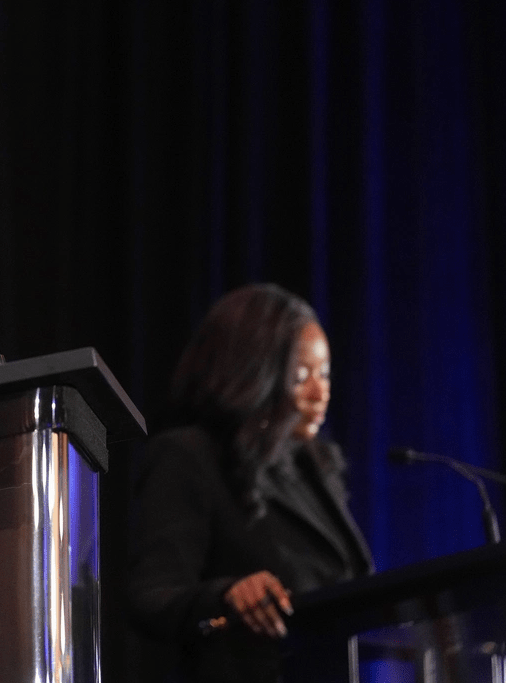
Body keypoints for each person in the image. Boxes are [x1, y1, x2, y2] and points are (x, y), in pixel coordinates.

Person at [120, 283, 373, 683]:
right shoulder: (190, 456)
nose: (319, 392)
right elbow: (151, 598)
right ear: (257, 373)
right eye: (301, 375)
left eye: (324, 373)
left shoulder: (316, 468)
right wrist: (227, 595)